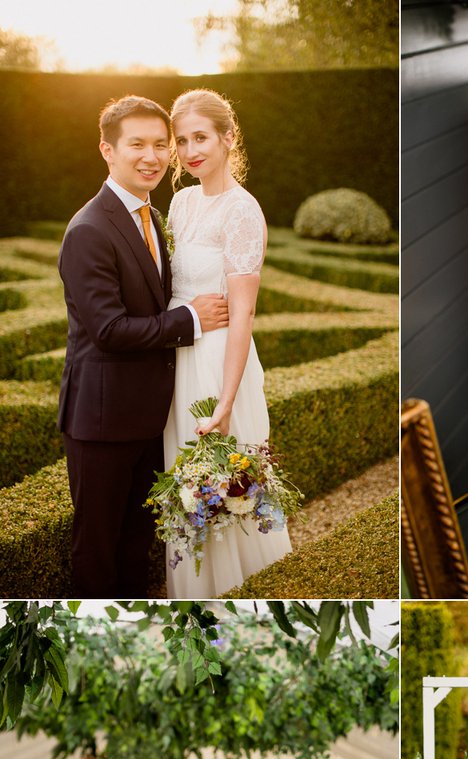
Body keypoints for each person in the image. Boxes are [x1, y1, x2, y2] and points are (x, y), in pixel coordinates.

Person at [57, 95, 229, 598]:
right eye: (137, 144)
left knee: (137, 543)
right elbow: (108, 329)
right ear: (107, 150)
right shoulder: (88, 230)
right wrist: (190, 319)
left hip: (152, 416)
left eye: (161, 144)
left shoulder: (153, 216)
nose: (152, 156)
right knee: (97, 546)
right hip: (101, 422)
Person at [163, 88, 292, 597]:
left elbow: (244, 314)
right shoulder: (179, 201)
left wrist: (226, 399)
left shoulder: (242, 211)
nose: (191, 150)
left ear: (227, 138)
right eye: (182, 141)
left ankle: (247, 595)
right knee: (186, 486)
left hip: (218, 363)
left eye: (201, 137)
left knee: (229, 488)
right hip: (178, 356)